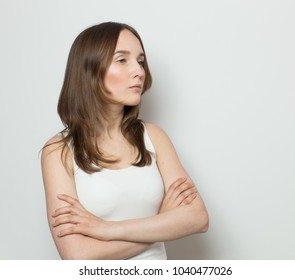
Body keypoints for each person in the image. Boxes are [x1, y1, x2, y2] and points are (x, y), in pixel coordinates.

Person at [41, 22, 209, 260]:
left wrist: (106, 229)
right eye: (122, 60)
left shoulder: (154, 137)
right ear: (89, 70)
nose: (139, 71)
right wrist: (161, 223)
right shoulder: (58, 151)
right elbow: (78, 257)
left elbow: (197, 218)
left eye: (140, 61)